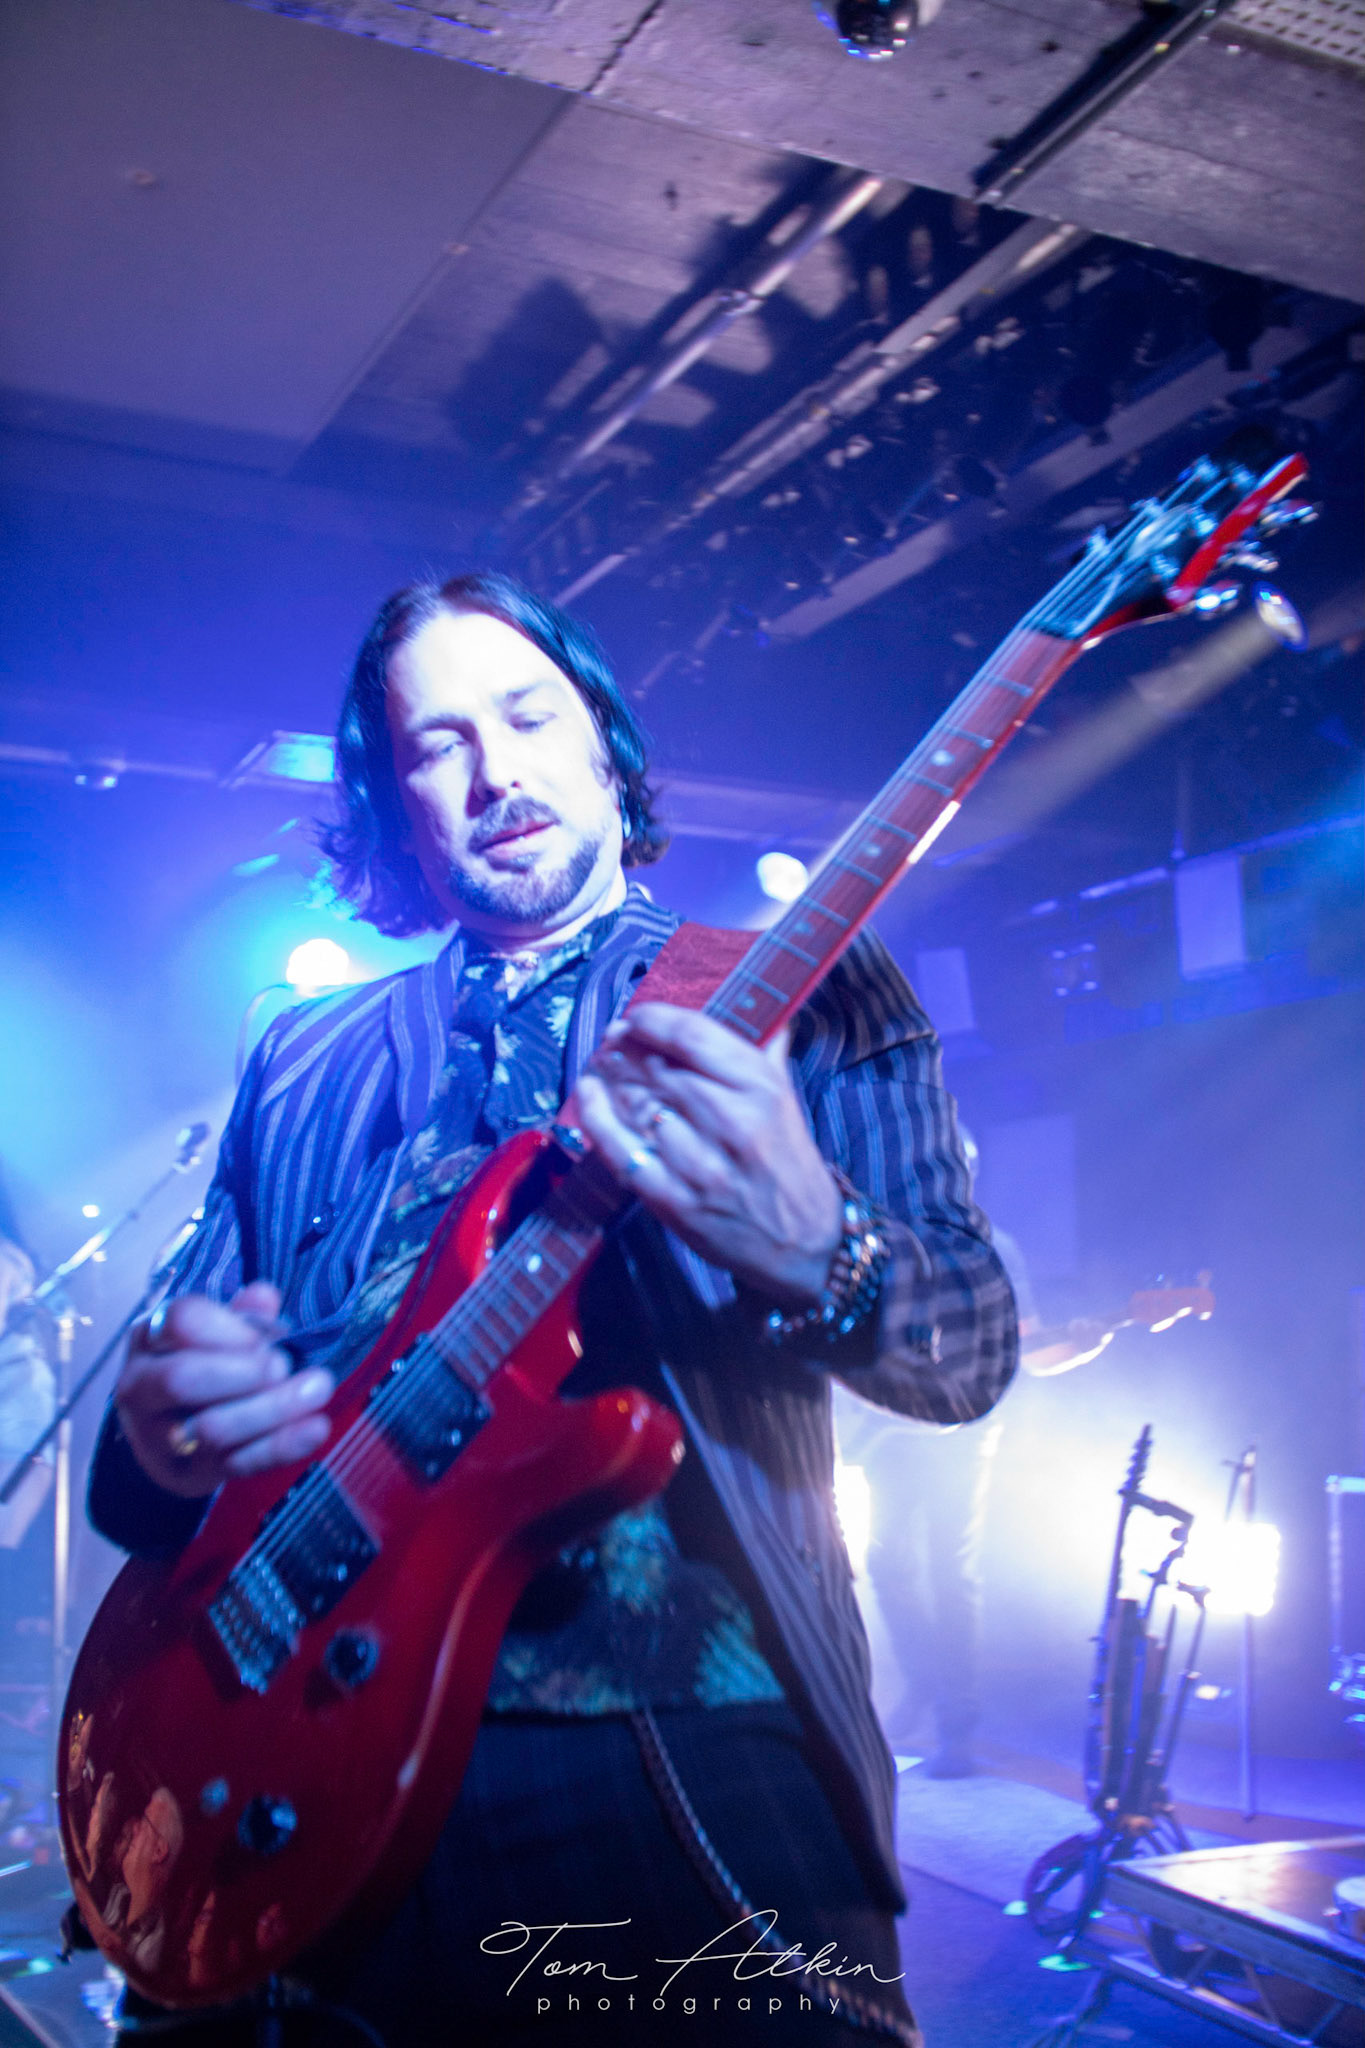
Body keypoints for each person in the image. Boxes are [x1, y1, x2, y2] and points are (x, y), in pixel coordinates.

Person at [87, 573, 1018, 2046]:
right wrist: (160, 1433)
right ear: (393, 804)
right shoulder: (303, 1059)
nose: (495, 771)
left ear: (603, 745)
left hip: (670, 1751)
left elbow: (970, 1346)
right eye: (438, 744)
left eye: (527, 717)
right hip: (291, 1743)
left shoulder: (802, 992)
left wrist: (817, 1247)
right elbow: (144, 1481)